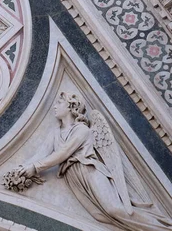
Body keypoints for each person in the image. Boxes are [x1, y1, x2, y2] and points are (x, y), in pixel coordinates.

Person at [19, 92, 172, 231]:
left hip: (89, 170)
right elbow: (42, 153)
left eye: (59, 103)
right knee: (100, 216)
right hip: (73, 177)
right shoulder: (55, 132)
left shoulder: (82, 130)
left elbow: (64, 152)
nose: (54, 106)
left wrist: (36, 167)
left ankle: (160, 227)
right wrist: (23, 168)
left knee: (114, 209)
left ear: (71, 106)